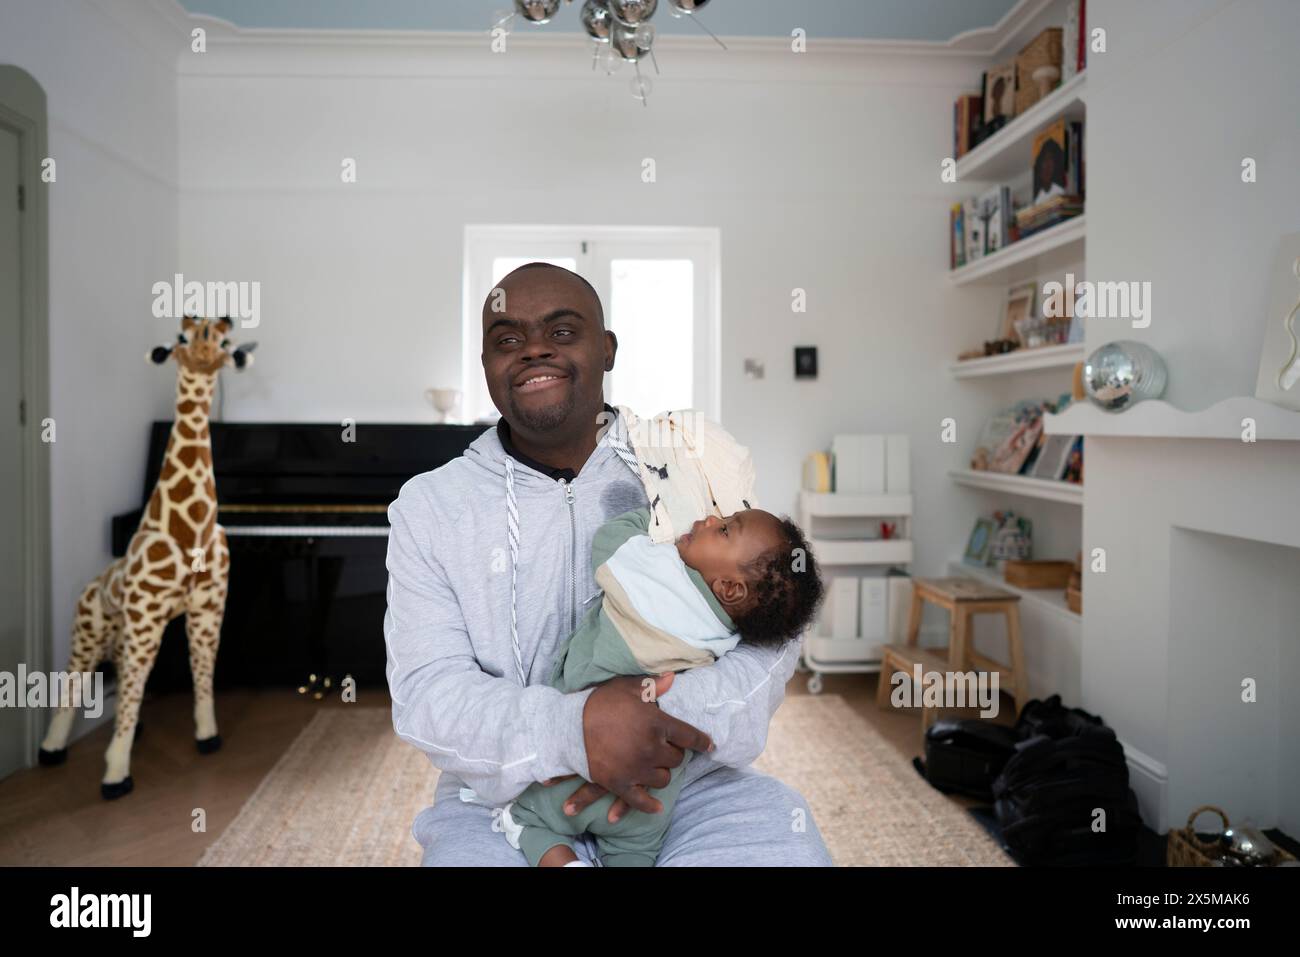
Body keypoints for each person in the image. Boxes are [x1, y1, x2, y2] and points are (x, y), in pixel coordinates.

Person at [384, 262, 833, 866]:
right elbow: (427, 694)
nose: (533, 349)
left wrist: (642, 724)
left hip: (682, 782)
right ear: (486, 363)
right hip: (504, 796)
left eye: (563, 331)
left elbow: (772, 633)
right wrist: (575, 730)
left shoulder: (689, 464)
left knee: (786, 853)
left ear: (608, 349)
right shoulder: (430, 506)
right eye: (507, 339)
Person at [501, 504, 825, 867]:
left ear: (730, 588)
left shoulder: (657, 570)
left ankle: (560, 858)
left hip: (579, 759)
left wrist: (650, 516)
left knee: (526, 817)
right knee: (634, 851)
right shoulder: (729, 635)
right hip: (652, 785)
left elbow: (609, 541)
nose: (708, 519)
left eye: (724, 530)